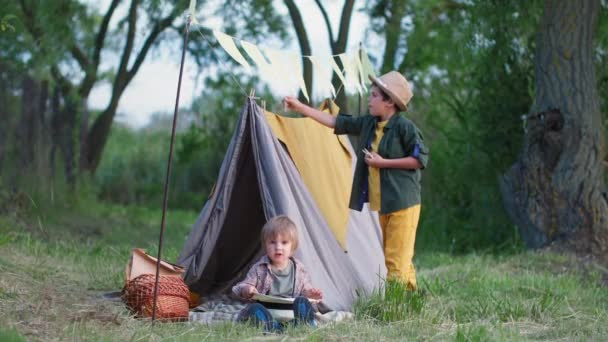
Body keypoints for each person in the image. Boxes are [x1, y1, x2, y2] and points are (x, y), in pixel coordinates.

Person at [283, 71, 429, 291]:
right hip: (385, 203)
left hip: (404, 202)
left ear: (389, 102)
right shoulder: (369, 124)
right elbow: (336, 121)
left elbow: (419, 159)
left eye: (374, 96)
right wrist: (300, 108)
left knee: (395, 260)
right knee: (398, 255)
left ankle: (394, 310)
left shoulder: (405, 128)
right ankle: (409, 302)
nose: (369, 100)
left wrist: (383, 163)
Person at [233, 215, 323, 332]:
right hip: (268, 313)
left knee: (302, 302)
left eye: (284, 242)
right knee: (254, 309)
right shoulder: (259, 268)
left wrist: (310, 293)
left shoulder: (299, 268)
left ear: (292, 246)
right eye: (273, 242)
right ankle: (271, 326)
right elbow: (241, 287)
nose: (278, 247)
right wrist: (247, 289)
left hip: (291, 313)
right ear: (265, 245)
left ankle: (302, 323)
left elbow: (305, 288)